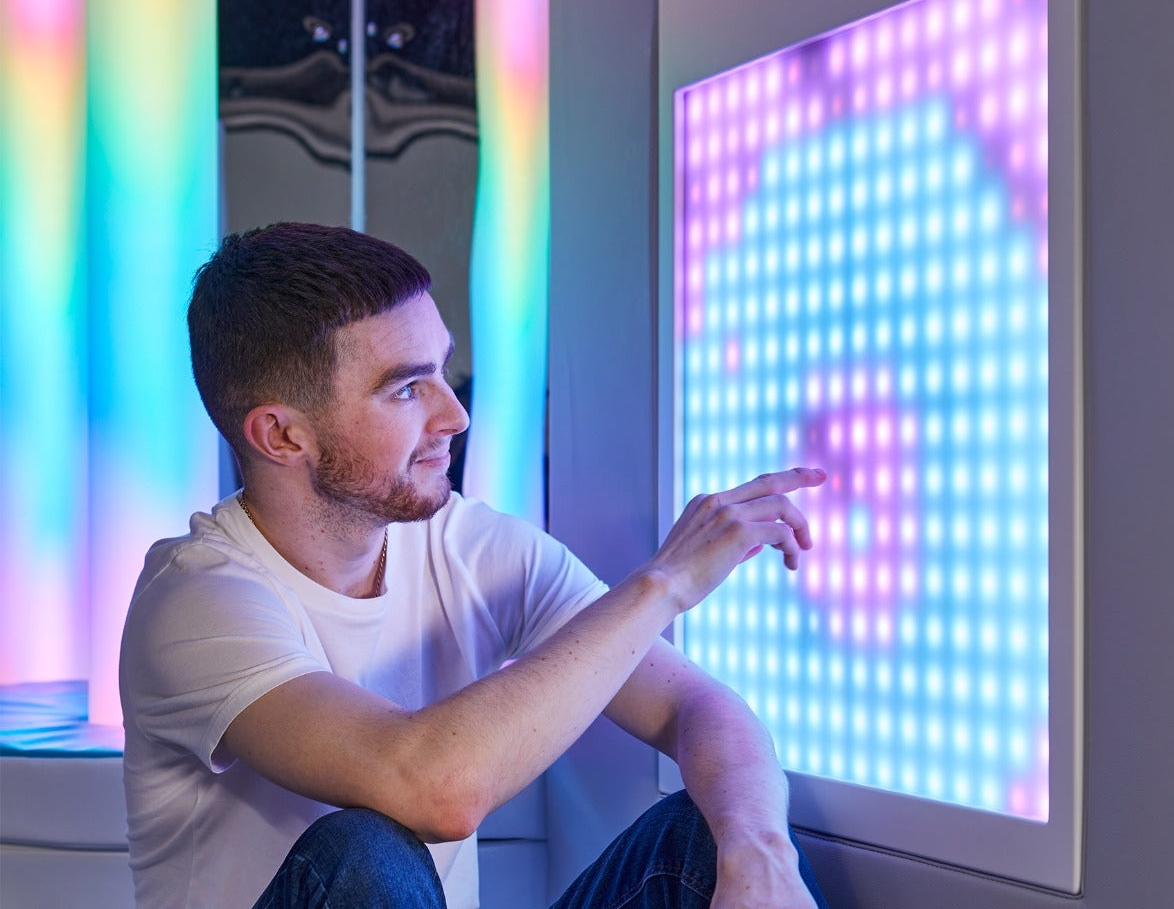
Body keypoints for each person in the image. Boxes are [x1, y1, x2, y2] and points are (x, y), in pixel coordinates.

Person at [119, 222, 832, 909]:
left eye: (443, 372)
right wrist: (665, 583)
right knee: (367, 848)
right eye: (406, 389)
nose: (455, 415)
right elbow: (437, 790)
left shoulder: (471, 546)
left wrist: (759, 853)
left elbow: (697, 706)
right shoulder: (197, 600)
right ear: (281, 434)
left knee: (710, 830)